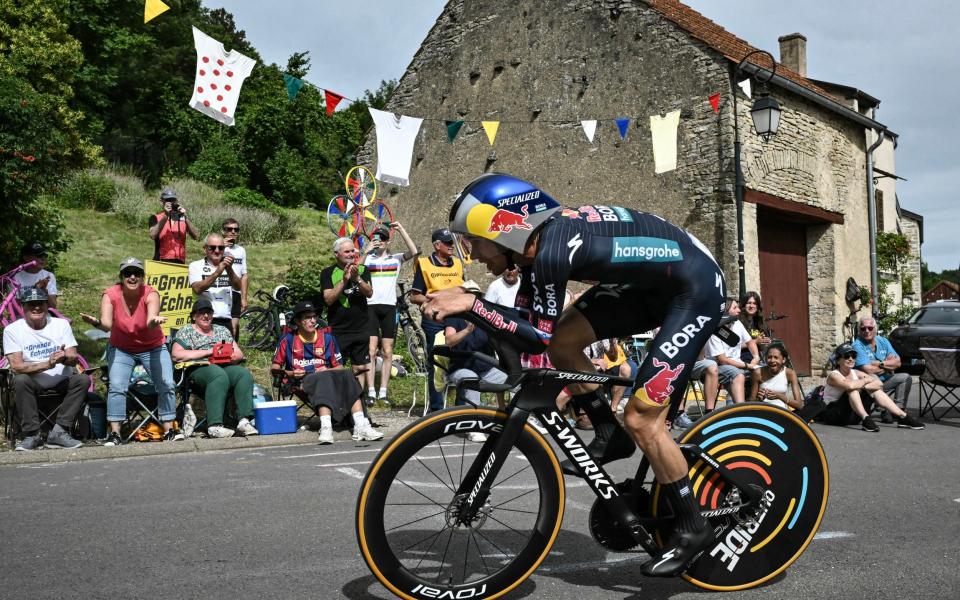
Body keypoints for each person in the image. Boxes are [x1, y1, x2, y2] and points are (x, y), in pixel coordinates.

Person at [424, 173, 727, 576]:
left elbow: (532, 335)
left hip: (695, 289)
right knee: (562, 342)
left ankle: (694, 525)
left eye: (474, 241)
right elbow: (535, 330)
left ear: (506, 229)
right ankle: (608, 431)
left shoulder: (551, 252)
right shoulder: (534, 253)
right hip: (648, 286)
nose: (474, 255)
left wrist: (472, 305)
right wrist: (480, 310)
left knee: (643, 417)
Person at [80, 258, 183, 446]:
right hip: (122, 348)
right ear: (121, 277)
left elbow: (151, 319)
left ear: (143, 277)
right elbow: (107, 325)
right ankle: (115, 434)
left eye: (137, 273)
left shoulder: (150, 293)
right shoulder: (111, 294)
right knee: (117, 386)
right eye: (128, 273)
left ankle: (169, 429)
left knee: (167, 383)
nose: (132, 277)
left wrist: (154, 322)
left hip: (152, 346)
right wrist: (95, 322)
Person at [272, 301, 382, 444]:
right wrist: (290, 373)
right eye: (307, 318)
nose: (312, 320)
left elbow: (339, 367)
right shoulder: (287, 340)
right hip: (300, 381)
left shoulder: (328, 339)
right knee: (324, 378)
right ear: (298, 321)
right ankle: (326, 427)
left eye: (314, 317)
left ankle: (361, 425)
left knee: (348, 374)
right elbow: (274, 368)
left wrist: (327, 369)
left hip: (327, 378)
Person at [3, 287, 84, 450]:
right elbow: (17, 367)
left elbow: (73, 355)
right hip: (33, 382)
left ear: (47, 305)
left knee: (82, 379)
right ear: (23, 306)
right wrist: (48, 364)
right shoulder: (12, 330)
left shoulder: (61, 325)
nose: (37, 307)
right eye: (31, 304)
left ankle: (59, 432)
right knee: (20, 380)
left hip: (62, 380)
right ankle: (32, 434)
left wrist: (65, 358)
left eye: (40, 303)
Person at [170, 298, 258, 438]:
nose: (206, 316)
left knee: (243, 374)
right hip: (199, 368)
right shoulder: (186, 331)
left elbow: (239, 353)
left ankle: (244, 421)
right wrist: (209, 352)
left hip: (224, 364)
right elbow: (176, 355)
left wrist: (231, 355)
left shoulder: (222, 330)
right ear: (194, 316)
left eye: (209, 312)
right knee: (218, 375)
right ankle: (215, 426)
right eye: (201, 313)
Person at [362, 222, 419, 404]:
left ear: (388, 240)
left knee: (387, 351)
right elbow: (356, 268)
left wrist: (401, 229)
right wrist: (366, 250)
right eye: (377, 238)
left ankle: (383, 392)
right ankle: (371, 392)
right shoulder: (369, 259)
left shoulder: (395, 259)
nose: (380, 241)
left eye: (384, 238)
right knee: (371, 351)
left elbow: (415, 251)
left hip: (389, 306)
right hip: (370, 306)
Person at [409, 228, 465, 412]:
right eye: (447, 243)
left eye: (452, 242)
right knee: (438, 364)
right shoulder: (424, 264)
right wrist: (435, 300)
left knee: (462, 362)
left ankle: (461, 409)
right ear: (437, 245)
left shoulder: (458, 264)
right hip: (434, 321)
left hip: (457, 319)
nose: (451, 246)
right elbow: (414, 297)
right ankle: (437, 410)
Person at [817, 342, 924, 432]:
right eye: (846, 356)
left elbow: (879, 384)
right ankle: (866, 419)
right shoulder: (834, 375)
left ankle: (902, 416)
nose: (851, 359)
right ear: (838, 360)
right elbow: (850, 385)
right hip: (834, 415)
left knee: (873, 389)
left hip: (852, 415)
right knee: (852, 390)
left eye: (853, 356)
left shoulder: (856, 372)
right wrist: (865, 380)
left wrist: (863, 383)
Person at [320, 238, 373, 386]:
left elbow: (369, 293)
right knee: (338, 367)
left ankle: (358, 402)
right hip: (339, 329)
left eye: (352, 251)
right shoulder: (327, 273)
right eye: (347, 251)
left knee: (361, 367)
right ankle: (341, 401)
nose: (351, 254)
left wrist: (358, 279)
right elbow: (328, 299)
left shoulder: (363, 270)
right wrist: (344, 281)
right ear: (336, 254)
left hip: (361, 327)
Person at [853, 316, 912, 423]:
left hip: (886, 380)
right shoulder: (857, 345)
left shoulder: (883, 341)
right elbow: (868, 370)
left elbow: (898, 362)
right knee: (873, 377)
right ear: (859, 330)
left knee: (905, 377)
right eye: (863, 328)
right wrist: (888, 365)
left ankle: (896, 411)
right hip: (869, 385)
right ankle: (886, 409)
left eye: (870, 328)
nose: (867, 331)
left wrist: (879, 363)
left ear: (875, 329)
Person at [701, 298, 758, 405]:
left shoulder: (737, 323)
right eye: (735, 308)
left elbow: (750, 342)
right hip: (718, 366)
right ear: (726, 310)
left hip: (738, 363)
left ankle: (756, 407)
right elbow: (722, 360)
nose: (739, 310)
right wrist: (746, 366)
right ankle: (739, 410)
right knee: (736, 374)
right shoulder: (716, 329)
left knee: (763, 372)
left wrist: (756, 357)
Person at [189, 233, 241, 331]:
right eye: (212, 248)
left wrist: (229, 269)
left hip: (225, 319)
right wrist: (218, 272)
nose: (217, 251)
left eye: (221, 248)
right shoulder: (195, 265)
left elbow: (238, 287)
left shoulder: (229, 265)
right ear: (205, 249)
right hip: (203, 319)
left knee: (226, 346)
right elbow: (197, 289)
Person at [148, 187, 199, 264]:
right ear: (162, 202)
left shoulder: (183, 218)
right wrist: (166, 216)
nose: (171, 203)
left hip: (180, 262)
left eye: (173, 200)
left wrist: (185, 217)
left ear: (176, 201)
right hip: (161, 261)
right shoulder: (155, 218)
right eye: (168, 200)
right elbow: (152, 235)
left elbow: (196, 236)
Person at [750, 342, 803, 410]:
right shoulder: (758, 372)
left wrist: (780, 396)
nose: (772, 360)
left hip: (782, 412)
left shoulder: (790, 373)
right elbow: (751, 401)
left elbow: (799, 405)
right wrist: (759, 399)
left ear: (783, 360)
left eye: (776, 357)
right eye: (769, 357)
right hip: (763, 411)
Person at [222, 218, 249, 340]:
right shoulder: (217, 247)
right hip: (221, 290)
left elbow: (245, 275)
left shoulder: (241, 250)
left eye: (236, 229)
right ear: (223, 231)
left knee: (234, 326)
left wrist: (244, 297)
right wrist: (221, 246)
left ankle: (234, 352)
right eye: (229, 229)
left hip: (236, 292)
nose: (233, 232)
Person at [15, 241, 59, 308]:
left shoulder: (49, 276)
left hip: (44, 316)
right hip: (23, 317)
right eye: (39, 256)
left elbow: (53, 305)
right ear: (26, 258)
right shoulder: (16, 278)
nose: (43, 258)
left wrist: (44, 291)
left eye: (45, 256)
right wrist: (35, 291)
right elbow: (15, 308)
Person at [738, 291, 771, 363]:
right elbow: (734, 346)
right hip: (743, 359)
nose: (751, 306)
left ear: (758, 306)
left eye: (754, 303)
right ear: (744, 305)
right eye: (749, 303)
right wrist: (756, 341)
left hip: (761, 358)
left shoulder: (760, 322)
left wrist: (766, 342)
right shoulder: (737, 323)